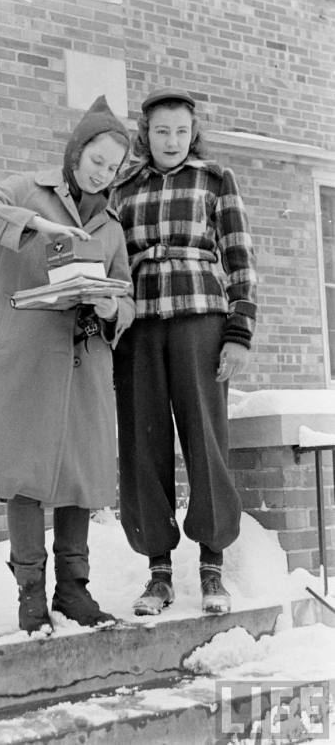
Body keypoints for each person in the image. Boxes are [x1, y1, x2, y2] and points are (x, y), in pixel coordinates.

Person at [0, 96, 135, 635]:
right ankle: (31, 595)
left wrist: (110, 306)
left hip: (84, 361)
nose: (103, 174)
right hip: (27, 356)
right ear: (76, 153)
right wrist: (35, 226)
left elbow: (126, 297)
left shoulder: (113, 226)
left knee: (79, 475)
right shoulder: (26, 190)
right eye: (97, 160)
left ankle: (74, 592)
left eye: (114, 168)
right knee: (24, 475)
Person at [110, 88, 257, 616]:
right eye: (160, 131)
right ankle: (158, 575)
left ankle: (213, 569)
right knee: (143, 447)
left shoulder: (216, 180)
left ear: (192, 133)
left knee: (206, 442)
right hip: (140, 327)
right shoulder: (123, 187)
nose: (170, 140)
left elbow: (239, 258)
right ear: (144, 135)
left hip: (201, 321)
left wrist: (238, 333)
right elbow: (109, 257)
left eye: (180, 130)